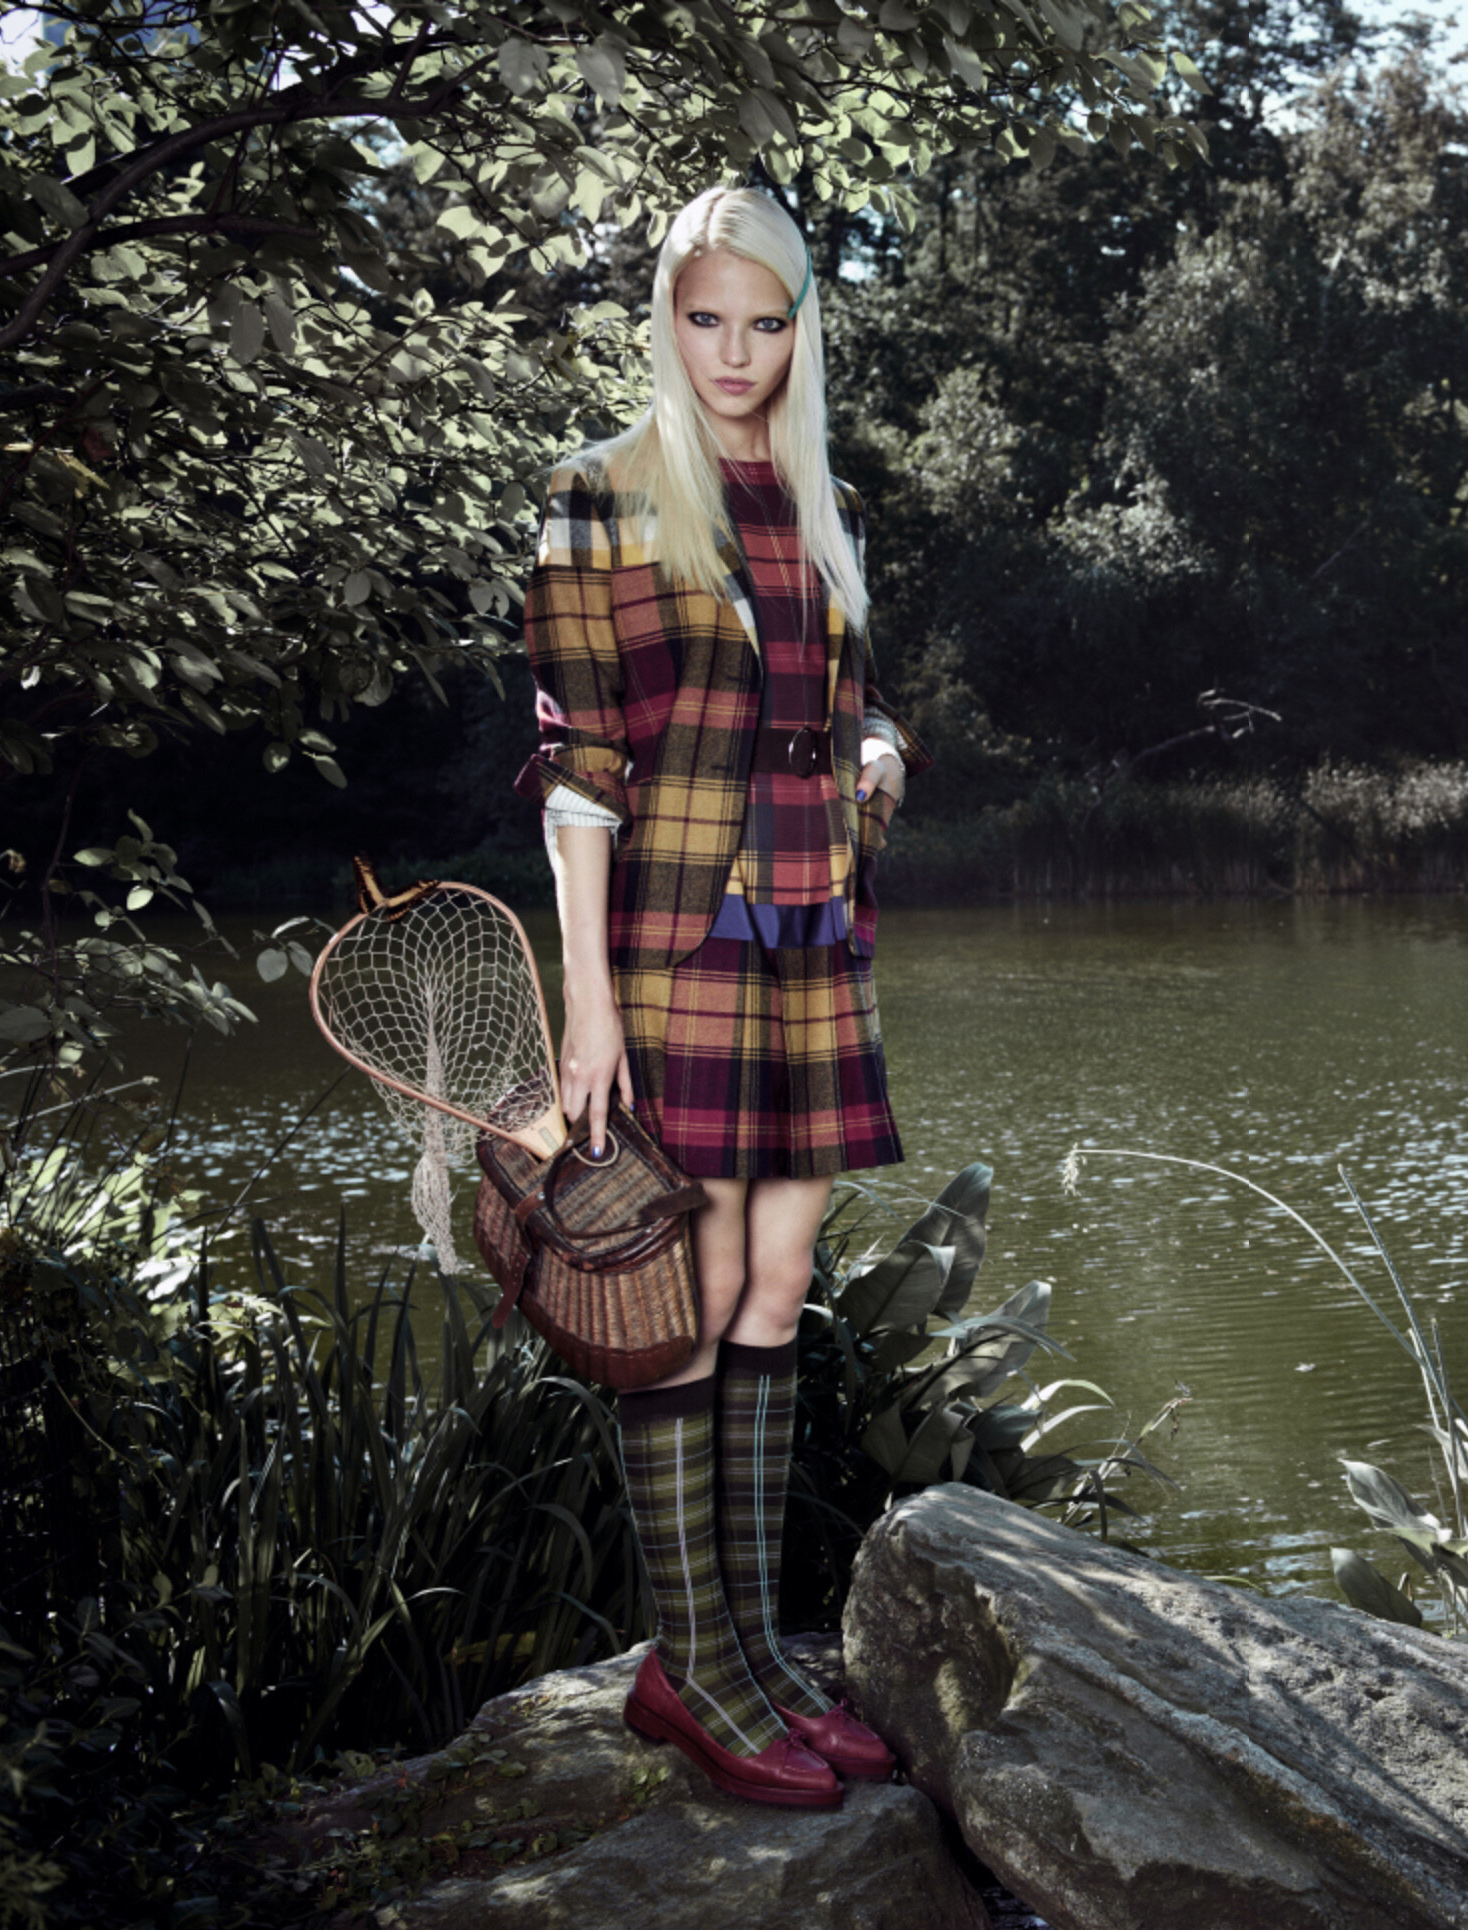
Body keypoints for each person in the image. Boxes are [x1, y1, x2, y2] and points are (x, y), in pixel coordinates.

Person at [518, 185, 924, 1807]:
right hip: (675, 945)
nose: (735, 353)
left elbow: (860, 704)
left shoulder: (828, 501)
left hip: (815, 935)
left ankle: (751, 1657)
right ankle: (690, 1674)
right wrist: (588, 1000)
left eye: (765, 322)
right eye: (705, 320)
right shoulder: (599, 495)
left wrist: (881, 758)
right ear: (666, 323)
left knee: (776, 1283)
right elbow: (579, 767)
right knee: (679, 1309)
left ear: (801, 327)